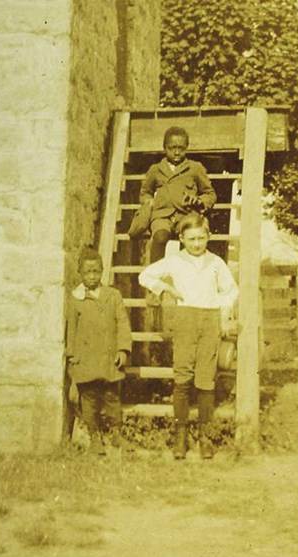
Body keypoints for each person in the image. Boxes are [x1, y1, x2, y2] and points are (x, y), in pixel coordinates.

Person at [138, 213, 238, 460]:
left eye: (201, 238)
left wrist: (225, 314)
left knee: (206, 380)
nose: (196, 244)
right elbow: (145, 276)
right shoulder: (174, 261)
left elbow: (230, 290)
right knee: (182, 378)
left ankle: (205, 435)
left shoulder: (215, 262)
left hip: (210, 320)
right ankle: (180, 436)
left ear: (208, 237)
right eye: (191, 239)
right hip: (184, 319)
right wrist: (167, 288)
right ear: (181, 238)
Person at [66, 248, 133, 455]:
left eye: (96, 272)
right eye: (88, 272)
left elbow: (122, 323)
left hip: (108, 357)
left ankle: (116, 434)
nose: (92, 276)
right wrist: (72, 357)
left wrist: (123, 349)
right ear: (80, 273)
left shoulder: (113, 296)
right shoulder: (76, 299)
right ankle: (94, 437)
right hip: (85, 359)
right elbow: (72, 330)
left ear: (103, 271)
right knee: (90, 399)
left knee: (113, 396)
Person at [136, 126, 216, 267]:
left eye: (181, 148)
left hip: (186, 214)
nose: (177, 152)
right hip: (162, 215)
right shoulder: (156, 169)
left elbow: (209, 193)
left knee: (190, 239)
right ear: (164, 148)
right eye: (172, 148)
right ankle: (156, 275)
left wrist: (199, 201)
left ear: (186, 148)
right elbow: (145, 192)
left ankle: (188, 274)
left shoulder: (195, 168)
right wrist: (148, 200)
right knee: (160, 237)